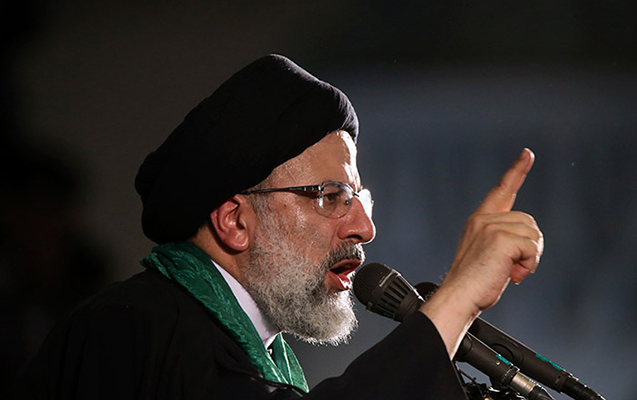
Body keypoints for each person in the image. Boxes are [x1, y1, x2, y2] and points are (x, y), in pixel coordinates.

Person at [19, 54, 543, 399]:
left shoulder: (249, 347)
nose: (364, 227)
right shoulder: (131, 329)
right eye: (331, 197)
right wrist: (457, 299)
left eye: (360, 197)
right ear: (235, 221)